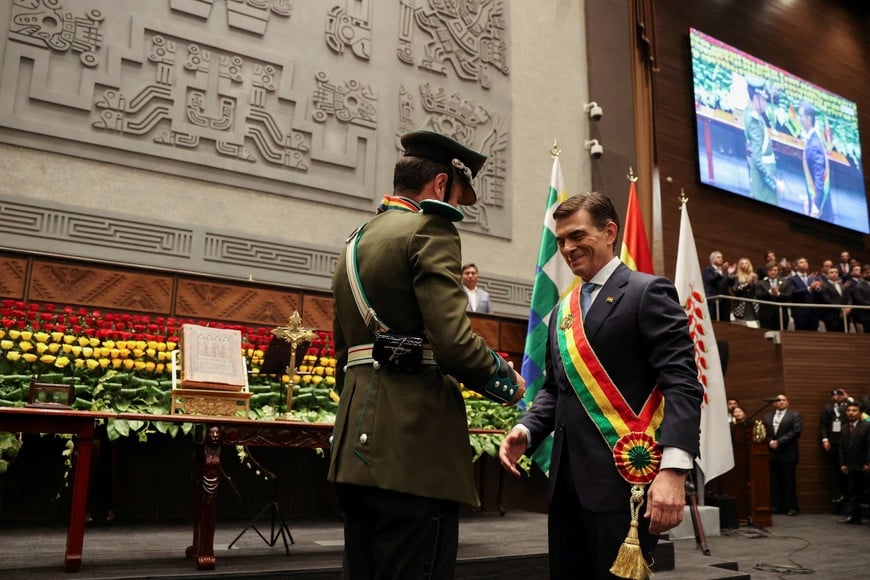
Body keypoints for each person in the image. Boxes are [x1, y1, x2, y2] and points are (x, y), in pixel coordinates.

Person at [328, 129, 525, 579]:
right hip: (415, 452)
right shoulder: (431, 230)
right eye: (458, 194)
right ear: (440, 185)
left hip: (355, 453)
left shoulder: (355, 241)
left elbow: (344, 356)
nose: (458, 207)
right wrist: (504, 379)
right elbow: (454, 343)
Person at [498, 192, 703, 580]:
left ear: (610, 232)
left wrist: (675, 470)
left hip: (625, 481)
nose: (567, 248)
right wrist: (527, 429)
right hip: (566, 484)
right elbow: (556, 390)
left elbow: (682, 384)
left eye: (577, 236)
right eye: (560, 241)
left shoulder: (648, 292)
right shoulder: (563, 310)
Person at [743, 77, 786, 205]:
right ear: (756, 97)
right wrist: (775, 182)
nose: (765, 103)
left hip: (763, 180)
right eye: (763, 99)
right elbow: (757, 159)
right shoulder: (754, 120)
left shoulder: (751, 113)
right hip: (764, 185)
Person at [763, 394, 802, 516]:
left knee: (788, 481)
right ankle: (775, 506)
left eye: (783, 400)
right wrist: (770, 441)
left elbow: (796, 431)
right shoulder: (768, 416)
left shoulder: (794, 415)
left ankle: (791, 507)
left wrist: (779, 442)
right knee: (774, 481)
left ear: (788, 403)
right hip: (772, 453)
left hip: (787, 452)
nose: (781, 402)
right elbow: (764, 432)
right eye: (778, 400)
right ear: (774, 403)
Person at [798, 101, 831, 221]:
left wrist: (815, 208)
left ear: (808, 118)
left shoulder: (815, 145)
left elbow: (819, 181)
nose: (799, 119)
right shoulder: (811, 139)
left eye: (801, 116)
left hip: (820, 213)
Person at [837, 400, 869, 524]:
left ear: (860, 413)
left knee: (866, 490)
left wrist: (868, 462)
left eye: (854, 411)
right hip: (850, 464)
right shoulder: (844, 427)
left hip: (864, 464)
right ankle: (854, 516)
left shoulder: (866, 426)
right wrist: (843, 463)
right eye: (849, 410)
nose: (851, 413)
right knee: (853, 491)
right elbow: (841, 447)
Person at [820, 388, 850, 509]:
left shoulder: (850, 406)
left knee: (849, 468)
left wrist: (847, 398)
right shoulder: (827, 408)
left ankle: (850, 495)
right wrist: (825, 439)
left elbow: (862, 410)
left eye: (839, 395)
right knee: (837, 469)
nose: (837, 397)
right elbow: (823, 424)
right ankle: (843, 494)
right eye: (834, 395)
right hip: (833, 442)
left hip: (848, 441)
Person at [755, 261, 792, 330]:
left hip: (781, 316)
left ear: (778, 271)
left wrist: (778, 294)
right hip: (766, 316)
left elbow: (789, 296)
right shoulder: (761, 283)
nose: (773, 272)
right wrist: (770, 292)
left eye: (775, 270)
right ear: (767, 271)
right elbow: (758, 296)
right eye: (770, 270)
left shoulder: (785, 282)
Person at [814, 265, 851, 332]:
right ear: (827, 275)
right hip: (832, 316)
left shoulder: (842, 285)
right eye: (831, 272)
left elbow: (849, 298)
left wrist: (848, 308)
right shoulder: (824, 286)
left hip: (845, 315)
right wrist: (841, 309)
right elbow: (827, 300)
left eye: (836, 272)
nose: (834, 274)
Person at [788, 257, 819, 331]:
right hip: (800, 312)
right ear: (796, 266)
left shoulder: (812, 278)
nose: (805, 263)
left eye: (806, 262)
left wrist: (819, 288)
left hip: (813, 312)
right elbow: (793, 292)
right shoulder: (791, 279)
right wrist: (809, 289)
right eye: (801, 262)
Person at [703, 250, 734, 321]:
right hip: (713, 300)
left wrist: (729, 274)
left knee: (726, 322)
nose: (721, 259)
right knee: (714, 321)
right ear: (712, 259)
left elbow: (730, 284)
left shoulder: (724, 271)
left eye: (721, 257)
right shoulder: (708, 270)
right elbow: (711, 280)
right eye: (718, 257)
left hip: (724, 301)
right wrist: (722, 272)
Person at [730, 257, 759, 327]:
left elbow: (758, 290)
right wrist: (746, 284)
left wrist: (754, 283)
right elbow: (735, 290)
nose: (744, 265)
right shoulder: (736, 277)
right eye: (742, 264)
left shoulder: (755, 276)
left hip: (753, 304)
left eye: (746, 263)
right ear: (739, 266)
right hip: (741, 305)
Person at [846, 264, 870, 333]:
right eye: (867, 273)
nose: (869, 274)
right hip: (866, 316)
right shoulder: (858, 286)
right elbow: (860, 300)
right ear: (862, 274)